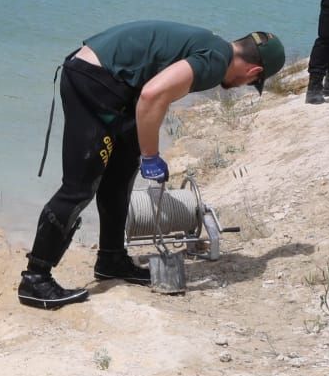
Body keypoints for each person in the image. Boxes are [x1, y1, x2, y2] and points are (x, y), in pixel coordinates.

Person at [19, 22, 286, 309]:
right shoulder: (215, 61)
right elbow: (152, 95)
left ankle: (112, 259)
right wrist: (150, 155)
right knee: (79, 187)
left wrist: (143, 151)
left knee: (120, 176)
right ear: (254, 72)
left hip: (112, 83)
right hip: (95, 81)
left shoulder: (213, 45)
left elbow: (152, 89)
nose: (244, 85)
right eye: (251, 83)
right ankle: (35, 279)